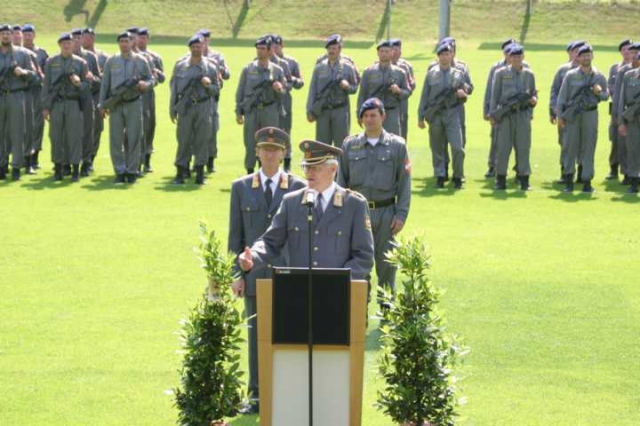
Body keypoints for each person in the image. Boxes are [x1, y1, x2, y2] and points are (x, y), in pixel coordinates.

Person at [228, 127, 306, 415]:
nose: (270, 154)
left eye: (276, 150)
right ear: (257, 153)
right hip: (255, 275)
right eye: (265, 149)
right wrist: (236, 275)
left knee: (288, 336)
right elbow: (234, 236)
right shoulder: (241, 187)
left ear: (284, 154)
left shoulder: (298, 187)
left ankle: (286, 393)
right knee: (256, 337)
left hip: (288, 274)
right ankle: (258, 395)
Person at [236, 139, 373, 279]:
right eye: (307, 167)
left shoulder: (354, 204)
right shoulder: (291, 202)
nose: (309, 173)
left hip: (338, 291)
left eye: (315, 168)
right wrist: (253, 256)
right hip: (298, 289)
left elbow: (364, 256)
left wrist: (341, 279)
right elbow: (270, 242)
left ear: (333, 169)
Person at [338, 98, 410, 314]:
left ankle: (387, 310)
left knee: (387, 264)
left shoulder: (397, 145)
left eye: (374, 115)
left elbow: (404, 183)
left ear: (383, 117)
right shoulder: (350, 145)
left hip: (387, 212)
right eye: (366, 116)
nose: (369, 120)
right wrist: (341, 213)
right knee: (360, 264)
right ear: (361, 119)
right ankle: (360, 310)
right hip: (357, 214)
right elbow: (341, 182)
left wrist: (402, 214)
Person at [98, 31, 153, 184]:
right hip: (115, 105)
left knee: (135, 137)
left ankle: (132, 171)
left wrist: (145, 84)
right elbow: (105, 84)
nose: (124, 44)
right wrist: (102, 105)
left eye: (126, 41)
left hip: (133, 102)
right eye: (121, 41)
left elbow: (151, 79)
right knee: (116, 139)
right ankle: (120, 171)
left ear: (132, 42)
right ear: (118, 43)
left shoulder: (141, 60)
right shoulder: (111, 61)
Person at [418, 43, 470, 189]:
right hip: (435, 115)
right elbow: (424, 96)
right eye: (442, 54)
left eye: (447, 54)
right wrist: (420, 117)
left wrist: (462, 94)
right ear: (438, 56)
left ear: (451, 55)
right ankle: (440, 175)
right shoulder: (431, 74)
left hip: (452, 113)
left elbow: (466, 91)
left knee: (457, 147)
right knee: (437, 147)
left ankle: (458, 176)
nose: (444, 56)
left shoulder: (458, 74)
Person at [557, 44, 609, 193]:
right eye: (583, 55)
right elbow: (562, 97)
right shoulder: (571, 75)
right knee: (570, 147)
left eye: (589, 55)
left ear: (592, 56)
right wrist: (561, 116)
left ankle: (587, 181)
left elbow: (606, 96)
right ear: (578, 58)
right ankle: (568, 180)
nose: (586, 57)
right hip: (573, 115)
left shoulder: (599, 76)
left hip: (590, 114)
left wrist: (599, 93)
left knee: (589, 147)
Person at [169, 35, 220, 185]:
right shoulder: (181, 66)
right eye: (194, 47)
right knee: (183, 139)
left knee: (202, 140)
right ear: (190, 48)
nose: (196, 49)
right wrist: (172, 109)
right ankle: (180, 172)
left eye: (199, 46)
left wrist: (208, 85)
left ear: (203, 47)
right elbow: (174, 89)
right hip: (186, 107)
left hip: (203, 106)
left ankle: (199, 172)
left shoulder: (210, 67)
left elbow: (216, 90)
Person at [41, 32, 89, 182]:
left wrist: (78, 83)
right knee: (55, 136)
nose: (67, 45)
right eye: (64, 43)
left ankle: (75, 169)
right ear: (59, 45)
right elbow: (46, 85)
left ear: (73, 44)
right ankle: (58, 168)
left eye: (69, 42)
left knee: (74, 136)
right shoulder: (51, 62)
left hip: (73, 103)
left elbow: (88, 85)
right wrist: (45, 107)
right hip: (56, 104)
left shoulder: (81, 63)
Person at [235, 35, 286, 174]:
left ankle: (267, 172)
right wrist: (238, 112)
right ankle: (250, 172)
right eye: (258, 48)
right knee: (250, 142)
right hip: (252, 111)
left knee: (269, 143)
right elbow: (240, 91)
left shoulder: (277, 70)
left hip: (269, 111)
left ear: (270, 51)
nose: (259, 51)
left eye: (263, 48)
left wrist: (279, 88)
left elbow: (284, 92)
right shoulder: (248, 69)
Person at [489, 44, 538, 191]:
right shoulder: (500, 73)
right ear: (509, 58)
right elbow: (494, 96)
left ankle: (524, 180)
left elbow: (533, 93)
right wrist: (493, 114)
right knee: (503, 148)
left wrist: (534, 101)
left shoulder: (529, 75)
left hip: (522, 115)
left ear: (523, 57)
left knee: (524, 148)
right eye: (514, 56)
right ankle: (500, 179)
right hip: (505, 116)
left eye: (519, 56)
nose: (517, 59)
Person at [0, 24, 38, 181]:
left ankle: (16, 166)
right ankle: (2, 166)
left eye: (8, 33)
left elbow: (35, 76)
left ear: (13, 35)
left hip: (16, 96)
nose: (5, 36)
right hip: (1, 95)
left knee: (17, 132)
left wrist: (23, 72)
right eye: (2, 33)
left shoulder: (22, 54)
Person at [306, 34, 358, 147]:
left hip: (340, 110)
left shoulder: (348, 67)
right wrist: (309, 110)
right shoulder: (319, 68)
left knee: (342, 144)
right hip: (323, 112)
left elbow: (355, 88)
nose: (331, 51)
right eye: (329, 48)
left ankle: (341, 165)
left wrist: (347, 87)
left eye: (334, 48)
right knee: (322, 145)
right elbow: (312, 90)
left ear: (340, 49)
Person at [357, 39, 410, 136]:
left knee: (393, 142)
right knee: (372, 141)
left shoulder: (400, 72)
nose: (384, 54)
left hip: (391, 113)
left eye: (387, 51)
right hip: (372, 113)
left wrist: (399, 91)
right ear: (377, 53)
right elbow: (362, 94)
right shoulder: (369, 72)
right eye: (381, 51)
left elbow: (407, 92)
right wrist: (359, 114)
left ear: (392, 53)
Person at [550, 40, 584, 182]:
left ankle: (583, 173)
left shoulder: (591, 71)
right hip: (565, 114)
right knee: (565, 144)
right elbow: (554, 91)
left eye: (580, 52)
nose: (577, 54)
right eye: (575, 51)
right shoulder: (563, 70)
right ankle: (565, 172)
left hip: (583, 113)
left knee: (583, 144)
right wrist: (553, 111)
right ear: (570, 53)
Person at [483, 38, 516, 178]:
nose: (510, 54)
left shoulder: (524, 66)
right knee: (496, 139)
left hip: (517, 110)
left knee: (519, 140)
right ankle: (493, 166)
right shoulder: (496, 67)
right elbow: (490, 90)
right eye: (508, 51)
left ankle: (520, 168)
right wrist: (487, 111)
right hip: (500, 110)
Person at [71, 28, 101, 176]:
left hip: (88, 99)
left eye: (79, 38)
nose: (76, 40)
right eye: (73, 38)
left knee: (88, 131)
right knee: (68, 131)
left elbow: (98, 81)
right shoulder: (63, 57)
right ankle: (68, 162)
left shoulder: (90, 57)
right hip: (69, 99)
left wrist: (91, 78)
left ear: (83, 39)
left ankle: (87, 162)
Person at [273, 34, 304, 171]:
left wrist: (292, 80)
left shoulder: (291, 62)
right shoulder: (266, 61)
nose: (274, 48)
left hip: (285, 99)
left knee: (285, 131)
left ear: (282, 45)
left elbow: (300, 82)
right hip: (270, 100)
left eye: (277, 45)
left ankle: (287, 162)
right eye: (272, 45)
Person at [137, 27, 166, 173]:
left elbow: (162, 78)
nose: (141, 40)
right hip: (132, 95)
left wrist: (156, 72)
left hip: (148, 96)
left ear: (148, 39)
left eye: (144, 37)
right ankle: (133, 160)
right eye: (139, 37)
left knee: (149, 126)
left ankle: (147, 160)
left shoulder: (154, 57)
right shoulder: (130, 56)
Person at [612, 42, 640, 185]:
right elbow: (619, 97)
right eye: (633, 53)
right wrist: (619, 119)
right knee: (628, 147)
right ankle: (629, 175)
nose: (634, 56)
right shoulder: (627, 73)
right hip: (630, 117)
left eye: (637, 53)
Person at [606, 39, 634, 181]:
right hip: (617, 108)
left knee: (629, 141)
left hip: (633, 109)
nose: (627, 52)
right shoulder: (616, 68)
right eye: (624, 49)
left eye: (629, 49)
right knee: (616, 139)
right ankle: (613, 168)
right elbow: (610, 86)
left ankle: (629, 171)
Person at [22, 24, 48, 172]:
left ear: (34, 35)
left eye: (29, 34)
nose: (27, 36)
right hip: (22, 93)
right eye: (24, 34)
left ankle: (34, 158)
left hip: (37, 93)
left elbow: (48, 74)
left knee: (38, 126)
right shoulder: (17, 52)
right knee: (22, 127)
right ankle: (23, 158)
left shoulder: (42, 53)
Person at [82, 27, 109, 168]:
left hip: (98, 95)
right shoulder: (79, 55)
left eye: (88, 37)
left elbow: (109, 78)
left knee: (97, 128)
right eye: (83, 36)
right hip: (82, 95)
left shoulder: (104, 56)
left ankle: (91, 157)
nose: (85, 39)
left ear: (93, 38)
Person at [390, 38, 415, 141]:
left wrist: (399, 90)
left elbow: (411, 85)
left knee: (402, 130)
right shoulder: (379, 65)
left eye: (397, 50)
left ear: (400, 52)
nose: (394, 52)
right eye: (392, 49)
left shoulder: (406, 67)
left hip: (402, 104)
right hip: (385, 104)